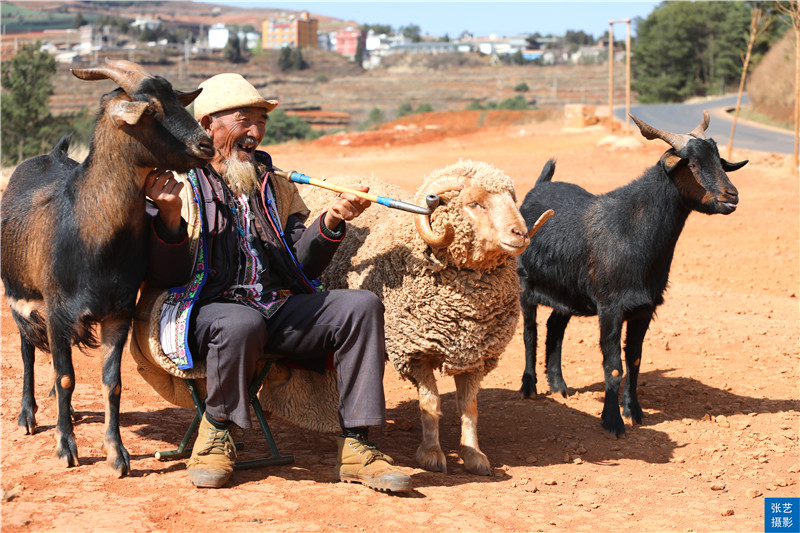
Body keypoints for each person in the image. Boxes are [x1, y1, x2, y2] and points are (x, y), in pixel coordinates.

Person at [143, 73, 412, 492]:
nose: (255, 133)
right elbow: (164, 277)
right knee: (238, 322)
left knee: (360, 307)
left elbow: (304, 266)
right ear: (207, 124)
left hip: (276, 309)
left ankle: (358, 445)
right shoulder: (175, 182)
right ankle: (216, 432)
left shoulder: (275, 182)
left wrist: (333, 218)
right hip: (204, 315)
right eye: (243, 121)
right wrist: (171, 218)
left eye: (261, 122)